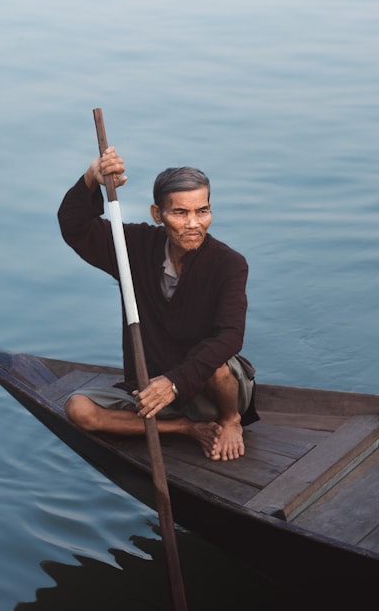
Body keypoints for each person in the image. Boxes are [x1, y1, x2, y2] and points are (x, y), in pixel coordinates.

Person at [57, 146, 257, 461]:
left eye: (202, 211)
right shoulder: (133, 248)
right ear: (157, 214)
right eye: (180, 213)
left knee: (218, 366)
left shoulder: (229, 263)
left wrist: (175, 383)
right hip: (151, 389)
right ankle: (183, 428)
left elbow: (231, 335)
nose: (194, 224)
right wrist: (90, 179)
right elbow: (74, 227)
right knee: (78, 410)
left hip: (210, 391)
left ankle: (230, 420)